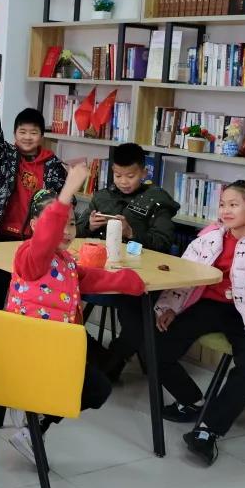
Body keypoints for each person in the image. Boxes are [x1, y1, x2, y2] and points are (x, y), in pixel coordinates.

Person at [2, 163, 146, 462]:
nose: (66, 231)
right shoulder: (30, 256)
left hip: (58, 348)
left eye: (71, 223)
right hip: (30, 351)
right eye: (58, 223)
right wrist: (68, 191)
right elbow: (45, 239)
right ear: (34, 226)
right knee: (94, 385)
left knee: (100, 386)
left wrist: (129, 281)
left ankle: (36, 423)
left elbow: (89, 278)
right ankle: (33, 418)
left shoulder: (64, 259)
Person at [151, 178, 245, 465]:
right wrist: (169, 306)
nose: (225, 211)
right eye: (222, 204)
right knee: (156, 345)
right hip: (211, 305)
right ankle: (191, 401)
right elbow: (186, 272)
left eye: (234, 205)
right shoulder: (210, 238)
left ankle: (208, 429)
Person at [79, 143, 179, 381]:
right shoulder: (102, 197)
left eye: (130, 176)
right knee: (58, 298)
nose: (123, 181)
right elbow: (75, 232)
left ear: (144, 172)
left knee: (136, 319)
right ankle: (99, 358)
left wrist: (132, 232)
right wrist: (88, 225)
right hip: (99, 271)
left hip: (137, 276)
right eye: (118, 175)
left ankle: (109, 362)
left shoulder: (157, 201)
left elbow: (163, 243)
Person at [0, 70, 66, 309]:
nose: (27, 137)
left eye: (33, 132)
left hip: (35, 239)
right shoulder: (6, 156)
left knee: (30, 296)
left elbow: (61, 201)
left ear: (42, 136)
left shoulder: (53, 165)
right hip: (2, 234)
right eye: (22, 132)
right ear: (15, 134)